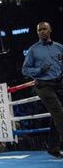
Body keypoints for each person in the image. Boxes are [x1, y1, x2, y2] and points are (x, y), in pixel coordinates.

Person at [22, 21, 63, 158]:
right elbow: (25, 70)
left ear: (50, 30)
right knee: (59, 113)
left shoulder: (59, 47)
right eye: (39, 30)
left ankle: (52, 147)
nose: (42, 32)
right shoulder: (33, 50)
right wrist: (39, 70)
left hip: (59, 84)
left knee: (56, 117)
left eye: (44, 29)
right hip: (43, 85)